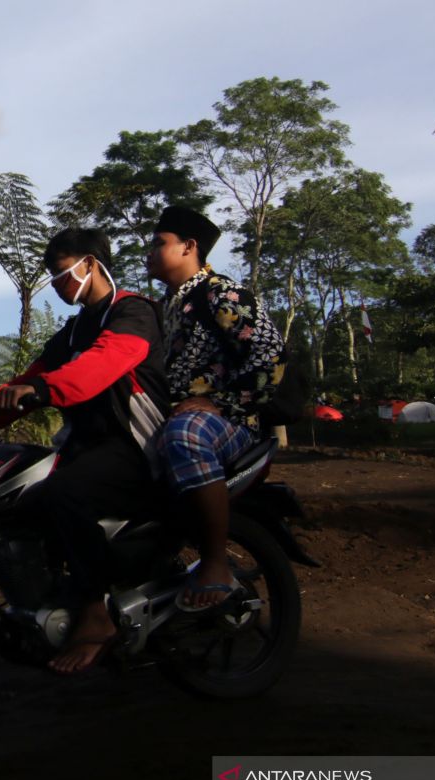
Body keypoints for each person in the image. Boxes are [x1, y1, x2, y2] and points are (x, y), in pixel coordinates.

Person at [0, 228, 168, 673]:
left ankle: (97, 614)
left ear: (89, 264)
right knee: (24, 493)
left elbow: (95, 368)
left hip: (137, 444)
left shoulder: (133, 313)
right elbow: (36, 372)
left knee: (66, 492)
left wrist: (40, 389)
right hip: (89, 445)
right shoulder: (76, 327)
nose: (59, 284)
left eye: (62, 273)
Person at [146, 206, 284, 612]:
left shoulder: (220, 292)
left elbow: (270, 353)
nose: (149, 252)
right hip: (185, 413)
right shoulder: (166, 305)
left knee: (185, 434)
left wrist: (220, 401)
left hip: (230, 421)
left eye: (159, 244)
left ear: (189, 247)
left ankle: (216, 563)